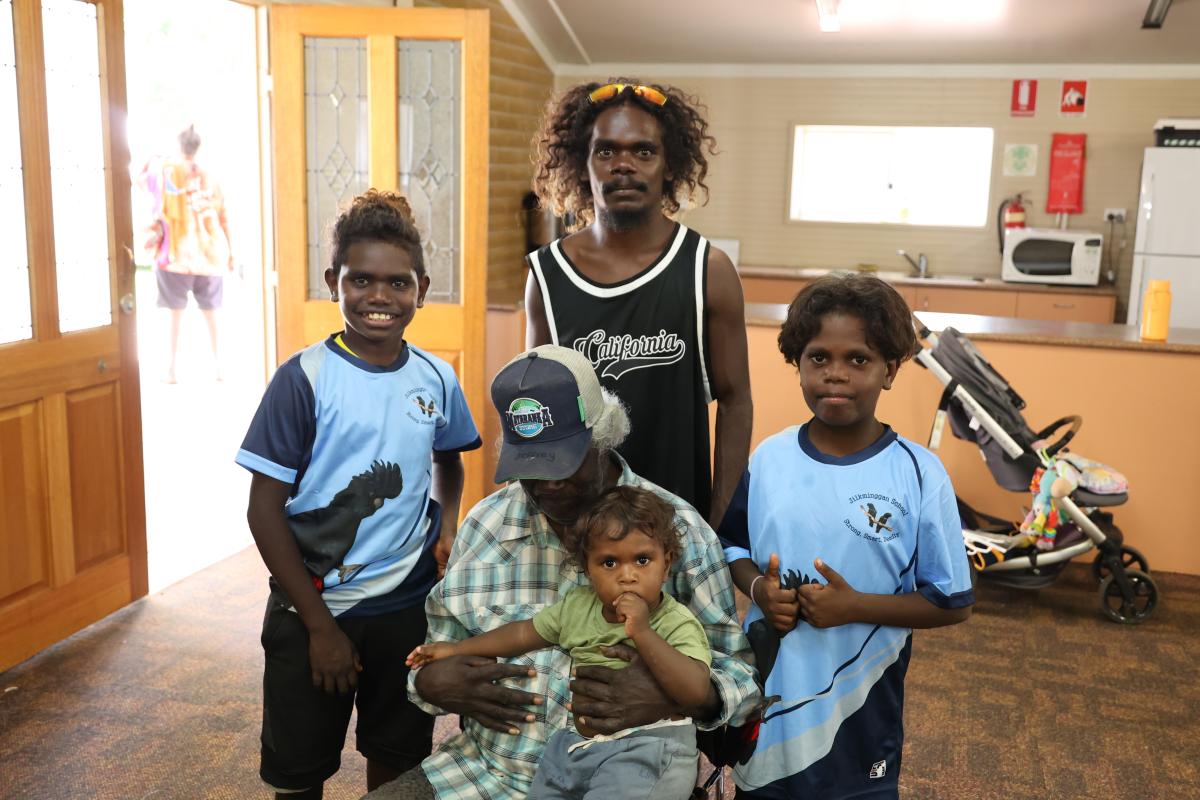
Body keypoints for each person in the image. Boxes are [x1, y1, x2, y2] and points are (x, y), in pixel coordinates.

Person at [367, 344, 759, 800]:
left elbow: (740, 676)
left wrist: (676, 694)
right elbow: (439, 652)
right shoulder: (486, 524)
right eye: (531, 466)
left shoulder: (675, 530)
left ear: (602, 437)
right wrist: (431, 682)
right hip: (483, 773)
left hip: (627, 776)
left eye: (563, 462)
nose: (549, 484)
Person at [236, 190, 482, 799]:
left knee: (397, 757)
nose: (380, 297)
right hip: (312, 606)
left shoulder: (437, 376)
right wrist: (320, 628)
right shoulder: (304, 378)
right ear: (334, 282)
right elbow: (263, 510)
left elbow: (448, 459)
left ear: (421, 289)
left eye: (398, 283)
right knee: (299, 772)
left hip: (405, 606)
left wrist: (447, 524)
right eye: (361, 280)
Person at [717, 274, 975, 799]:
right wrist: (760, 590)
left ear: (890, 370)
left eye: (858, 359)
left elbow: (951, 602)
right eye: (819, 357)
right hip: (767, 716)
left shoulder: (919, 474)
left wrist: (854, 606)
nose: (836, 374)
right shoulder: (770, 459)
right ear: (797, 362)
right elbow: (732, 548)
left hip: (860, 723)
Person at [524, 80, 751, 526]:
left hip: (676, 523)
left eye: (644, 151)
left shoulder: (707, 269)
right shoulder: (547, 275)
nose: (624, 164)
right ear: (582, 164)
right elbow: (535, 409)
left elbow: (736, 401)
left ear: (670, 166)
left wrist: (721, 524)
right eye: (605, 151)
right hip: (578, 527)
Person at [406, 485, 710, 799]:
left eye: (642, 560)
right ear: (587, 569)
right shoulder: (578, 607)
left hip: (648, 747)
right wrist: (455, 649)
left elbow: (697, 691)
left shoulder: (674, 621)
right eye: (609, 563)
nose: (627, 575)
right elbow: (522, 634)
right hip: (577, 747)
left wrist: (644, 633)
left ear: (667, 564)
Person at [139, 124, 234, 383]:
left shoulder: (165, 171)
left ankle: (171, 368)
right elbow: (223, 215)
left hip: (174, 256)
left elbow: (140, 180)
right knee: (212, 313)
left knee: (174, 313)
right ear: (198, 147)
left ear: (178, 146)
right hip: (209, 256)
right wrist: (230, 253)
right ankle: (219, 365)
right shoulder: (211, 176)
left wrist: (155, 158)